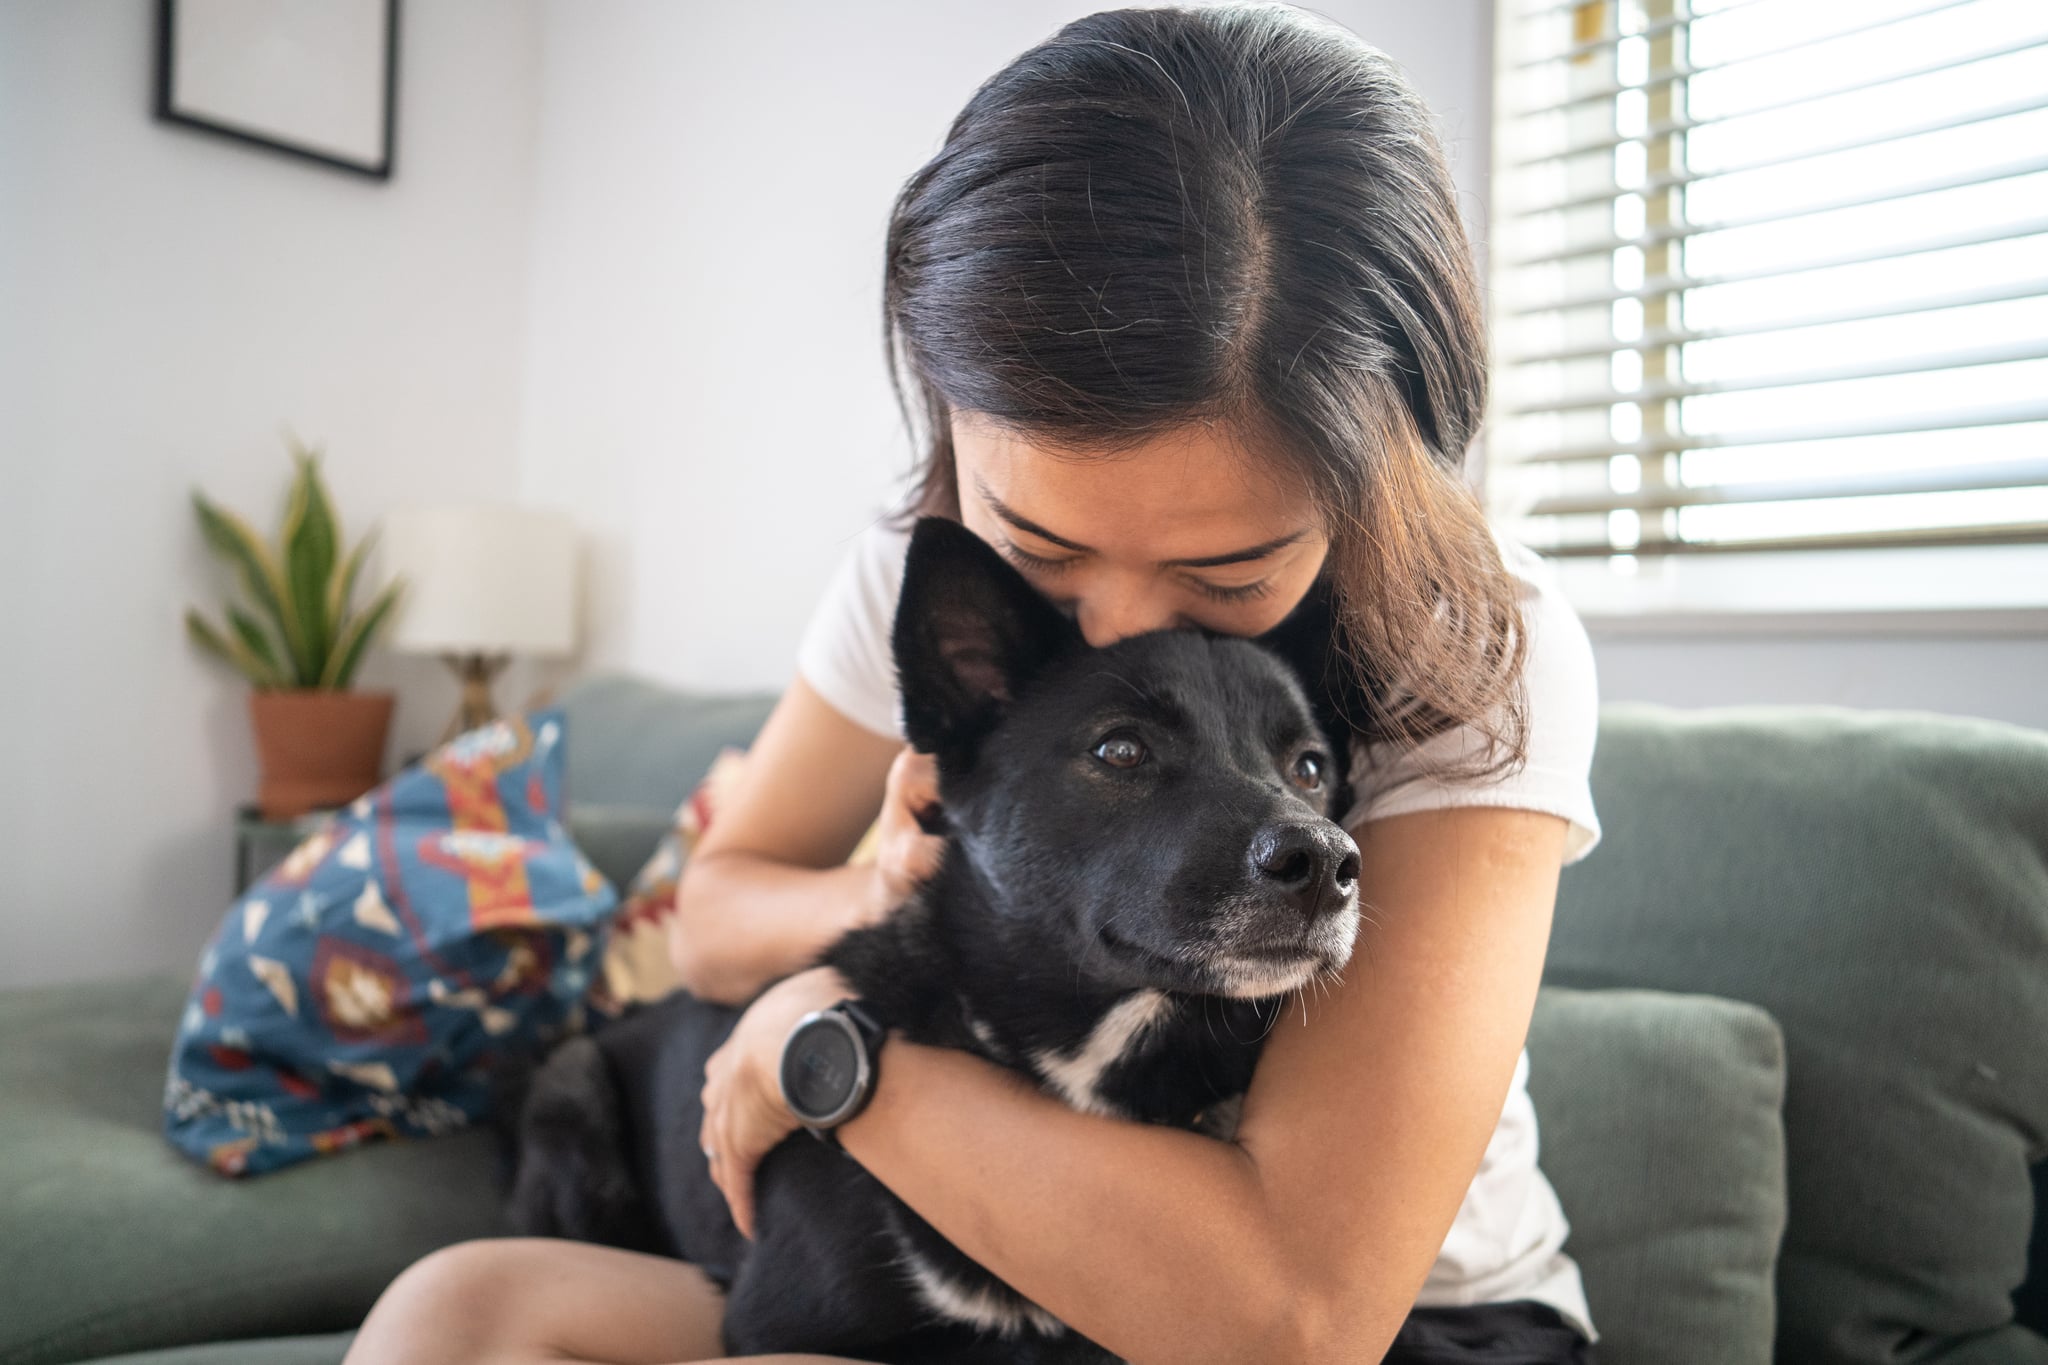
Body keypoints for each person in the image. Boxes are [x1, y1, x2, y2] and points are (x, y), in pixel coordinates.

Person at [344, 5, 1604, 1362]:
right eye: (1046, 551)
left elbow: (1290, 1319)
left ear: (1385, 471)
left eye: (1229, 578)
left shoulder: (1472, 642)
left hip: (1379, 1313)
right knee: (456, 1313)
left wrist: (816, 1047)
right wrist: (865, 889)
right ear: (949, 412)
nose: (1118, 627)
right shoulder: (934, 566)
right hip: (980, 1244)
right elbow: (715, 912)